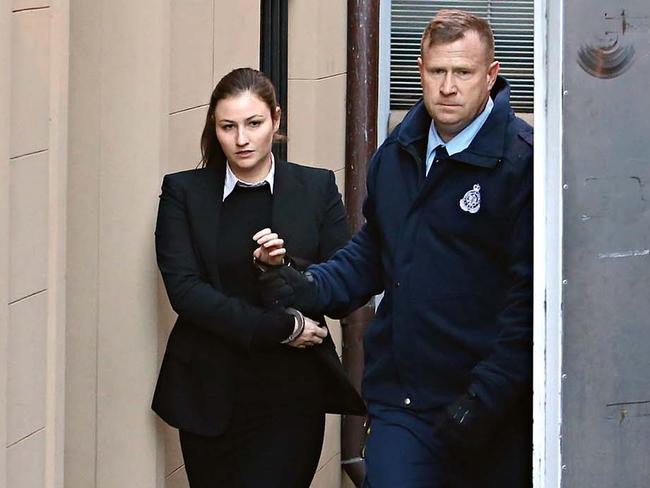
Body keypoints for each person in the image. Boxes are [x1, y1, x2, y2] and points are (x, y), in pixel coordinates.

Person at [257, 10, 533, 488]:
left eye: (463, 73)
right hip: (404, 404)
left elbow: (530, 302)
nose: (447, 86)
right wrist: (311, 284)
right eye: (436, 71)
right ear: (420, 71)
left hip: (492, 408)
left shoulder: (522, 163)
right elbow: (376, 249)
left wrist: (485, 399)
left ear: (491, 76)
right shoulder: (398, 150)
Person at [152, 67, 365, 488]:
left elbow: (342, 293)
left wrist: (282, 271)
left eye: (254, 123)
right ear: (214, 128)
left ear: (276, 120)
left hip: (290, 398)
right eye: (227, 126)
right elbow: (186, 292)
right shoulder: (183, 193)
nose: (241, 139)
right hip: (209, 394)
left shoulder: (316, 188)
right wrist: (280, 327)